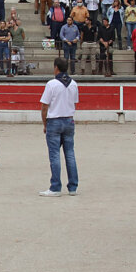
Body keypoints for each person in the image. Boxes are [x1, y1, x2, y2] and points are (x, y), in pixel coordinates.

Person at [39, 57, 79, 197]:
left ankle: (56, 187)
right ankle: (73, 187)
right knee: (70, 154)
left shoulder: (52, 84)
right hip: (69, 120)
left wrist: (45, 124)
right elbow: (74, 102)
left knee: (54, 155)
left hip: (54, 121)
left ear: (56, 67)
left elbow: (44, 106)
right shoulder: (73, 83)